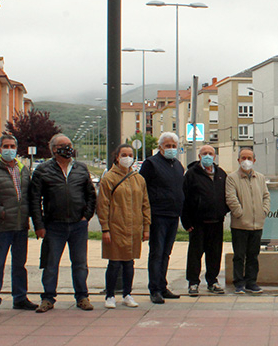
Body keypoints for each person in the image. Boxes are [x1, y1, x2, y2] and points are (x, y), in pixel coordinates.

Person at [29, 134, 97, 313]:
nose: (67, 148)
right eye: (62, 145)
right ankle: (48, 298)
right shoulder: (42, 170)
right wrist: (39, 225)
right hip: (54, 226)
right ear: (53, 149)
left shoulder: (81, 168)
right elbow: (34, 200)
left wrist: (86, 216)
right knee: (51, 264)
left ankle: (82, 297)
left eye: (69, 145)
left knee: (80, 263)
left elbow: (91, 195)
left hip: (78, 225)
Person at [0, 134, 38, 317]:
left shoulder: (23, 169)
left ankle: (20, 297)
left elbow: (29, 196)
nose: (9, 149)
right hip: (1, 227)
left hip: (20, 226)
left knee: (20, 265)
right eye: (6, 146)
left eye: (12, 146)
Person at [97, 144, 151, 309]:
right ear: (117, 157)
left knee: (129, 263)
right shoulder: (109, 178)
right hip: (116, 227)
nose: (127, 158)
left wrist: (146, 227)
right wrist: (105, 228)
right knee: (114, 263)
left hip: (134, 228)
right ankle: (110, 295)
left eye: (130, 154)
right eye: (124, 154)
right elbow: (103, 205)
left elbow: (145, 204)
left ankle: (127, 294)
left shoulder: (138, 179)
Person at [139, 132, 185, 303]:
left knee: (166, 253)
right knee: (157, 253)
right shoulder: (151, 164)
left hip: (173, 215)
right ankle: (154, 289)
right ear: (160, 147)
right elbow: (142, 189)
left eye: (174, 146)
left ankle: (162, 285)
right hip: (157, 215)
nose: (171, 149)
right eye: (168, 146)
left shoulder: (178, 165)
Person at [181, 144, 229, 296]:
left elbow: (226, 195)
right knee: (195, 254)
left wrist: (223, 210)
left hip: (216, 221)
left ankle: (212, 281)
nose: (207, 156)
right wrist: (186, 222)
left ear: (214, 156)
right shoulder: (191, 174)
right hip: (197, 223)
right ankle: (193, 282)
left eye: (210, 153)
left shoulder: (221, 173)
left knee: (214, 254)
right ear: (199, 156)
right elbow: (184, 198)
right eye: (204, 153)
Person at [226, 148, 270, 294]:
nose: (246, 161)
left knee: (253, 256)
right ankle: (239, 283)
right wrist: (240, 213)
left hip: (257, 224)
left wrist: (264, 211)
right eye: (243, 157)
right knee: (239, 256)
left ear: (254, 160)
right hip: (240, 225)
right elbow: (231, 198)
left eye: (249, 158)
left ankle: (251, 282)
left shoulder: (260, 178)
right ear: (238, 160)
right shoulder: (232, 178)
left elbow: (266, 196)